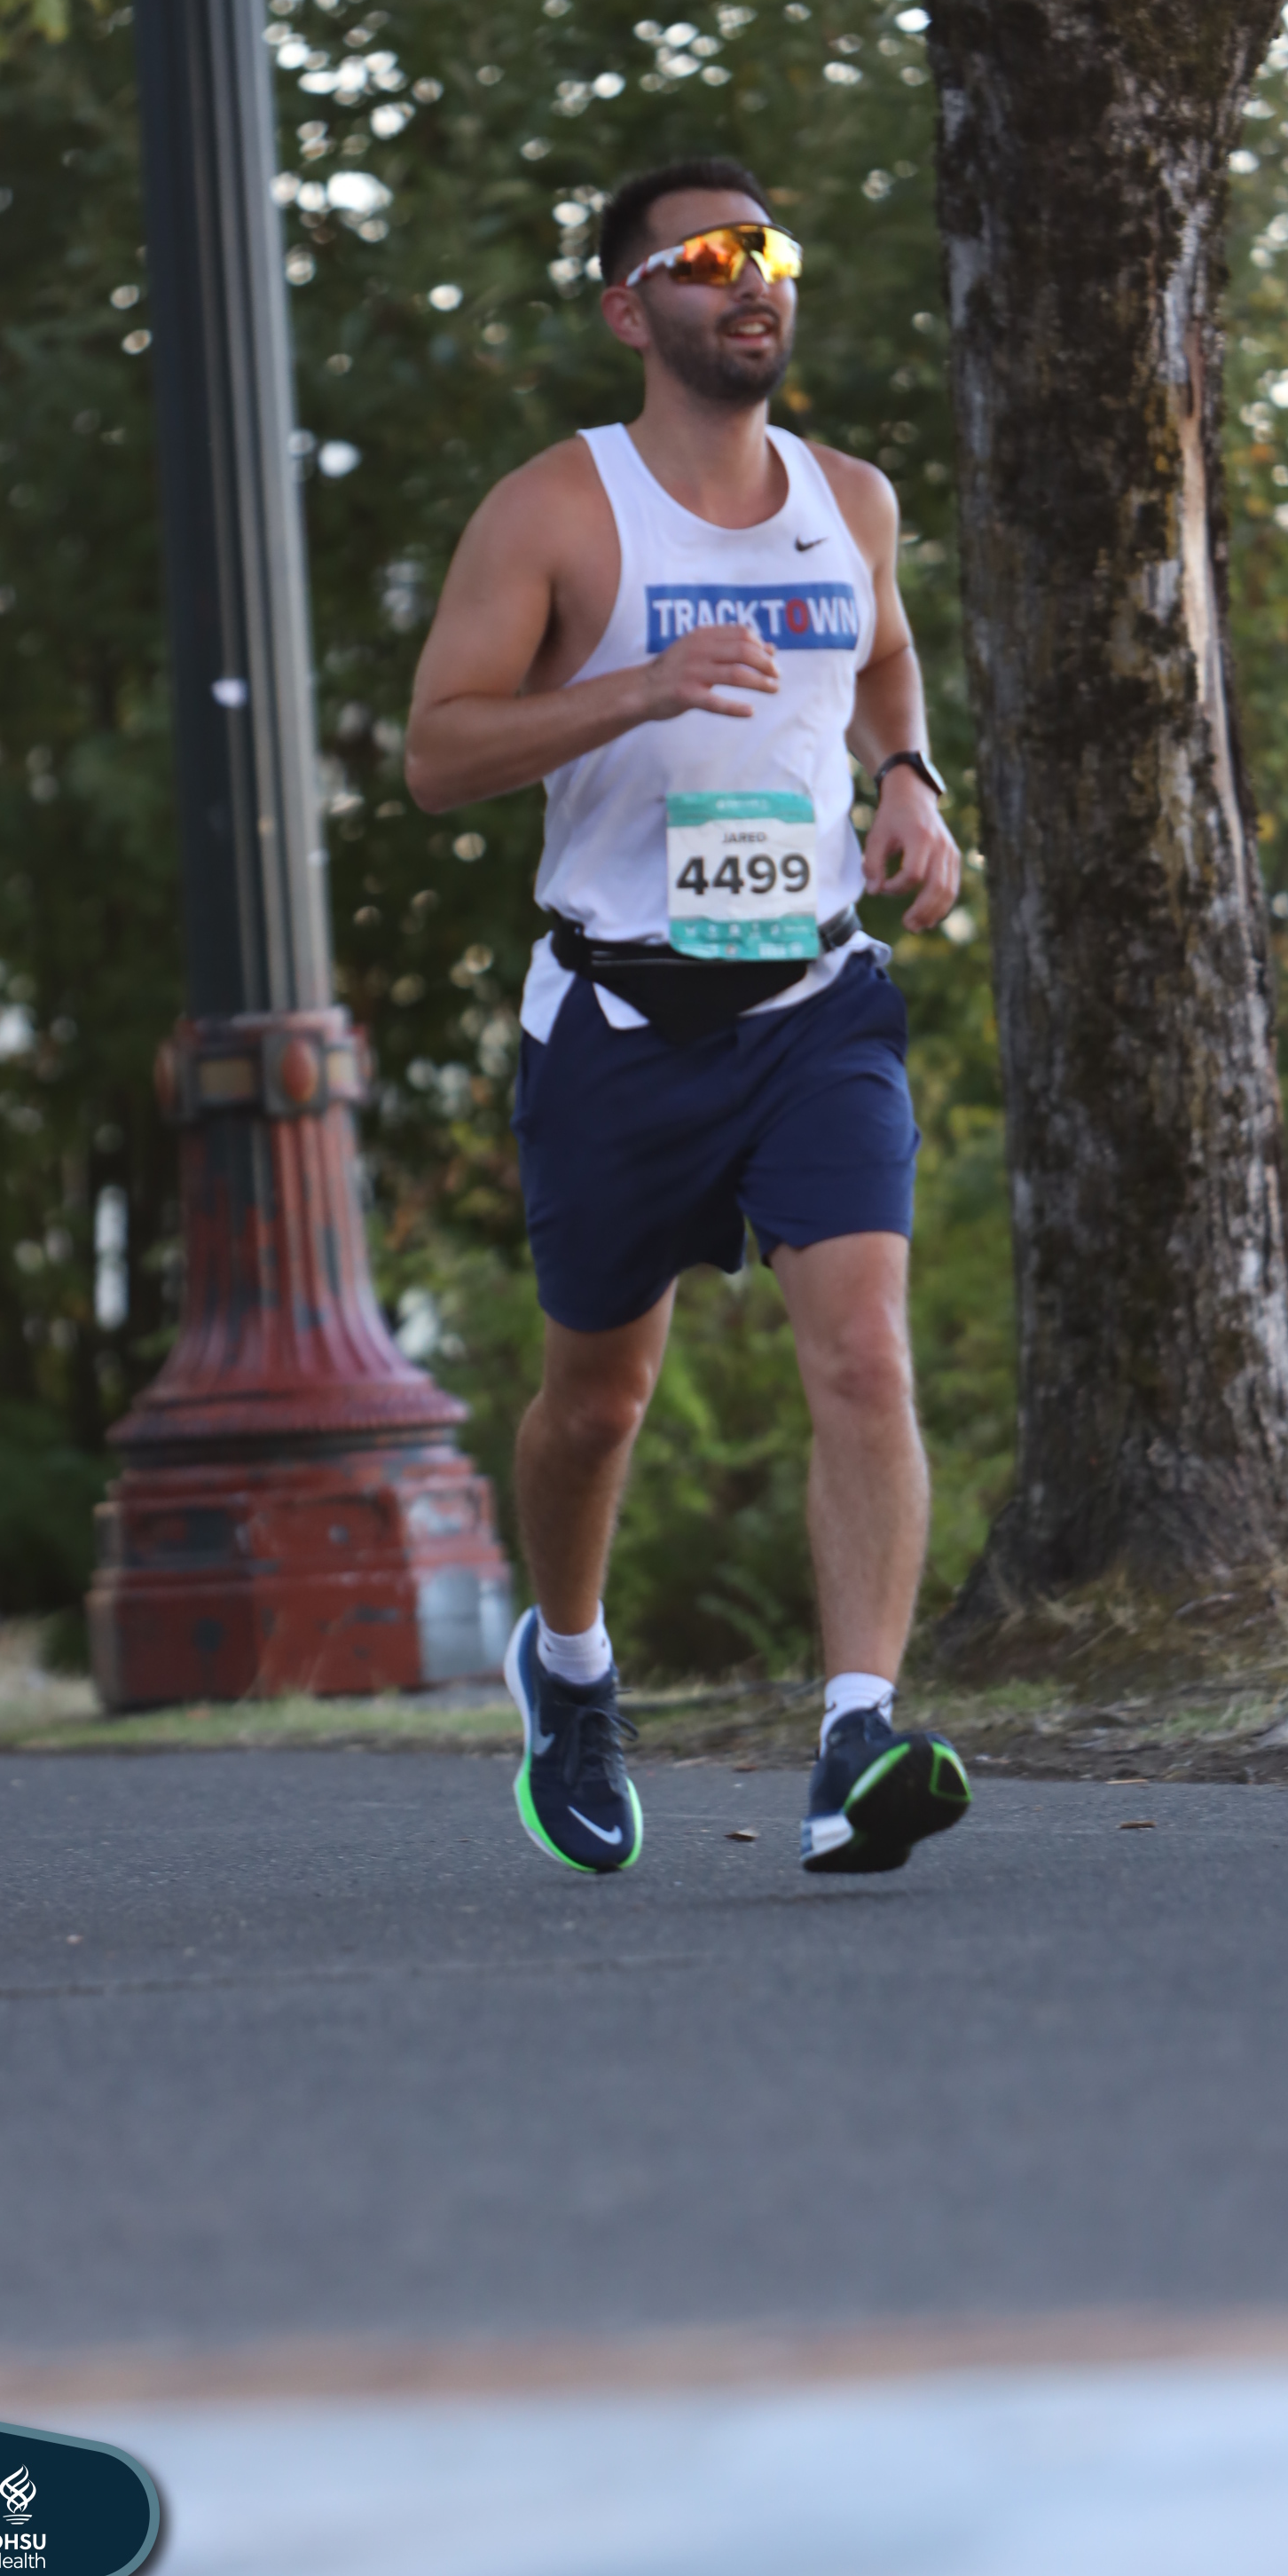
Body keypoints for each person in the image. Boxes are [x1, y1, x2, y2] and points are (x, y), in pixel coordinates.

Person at [404, 155, 974, 1881]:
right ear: (627, 307)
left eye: (769, 249)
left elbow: (880, 658)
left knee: (862, 1352)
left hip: (815, 999)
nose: (752, 278)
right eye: (710, 255)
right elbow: (438, 753)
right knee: (596, 1404)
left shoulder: (849, 498)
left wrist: (909, 776)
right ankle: (570, 1667)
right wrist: (639, 684)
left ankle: (855, 1738)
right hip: (618, 1018)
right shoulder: (555, 513)